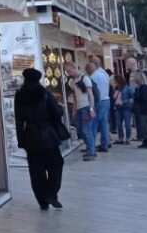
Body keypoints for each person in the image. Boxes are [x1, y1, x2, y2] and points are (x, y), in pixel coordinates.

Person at [14, 68, 65, 210]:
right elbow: (56, 112)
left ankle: (42, 201)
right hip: (48, 134)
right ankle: (51, 192)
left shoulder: (19, 95)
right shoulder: (44, 93)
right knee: (56, 164)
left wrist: (20, 139)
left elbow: (18, 120)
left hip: (30, 135)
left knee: (36, 170)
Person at [65, 61, 96, 160]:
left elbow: (90, 94)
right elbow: (75, 96)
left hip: (86, 107)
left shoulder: (85, 79)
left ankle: (91, 151)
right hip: (79, 108)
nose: (68, 73)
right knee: (80, 130)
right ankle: (89, 148)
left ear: (74, 68)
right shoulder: (74, 80)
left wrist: (91, 108)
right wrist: (74, 109)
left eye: (69, 71)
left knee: (86, 130)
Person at [89, 61, 112, 152]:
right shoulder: (104, 74)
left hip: (99, 102)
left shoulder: (93, 76)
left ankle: (91, 146)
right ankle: (105, 144)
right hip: (106, 100)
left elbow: (93, 92)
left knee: (94, 124)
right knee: (104, 124)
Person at [131, 71, 147, 149]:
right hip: (144, 109)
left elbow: (143, 98)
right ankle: (145, 141)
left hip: (145, 110)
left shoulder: (144, 88)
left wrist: (136, 96)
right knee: (142, 126)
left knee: (144, 126)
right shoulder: (142, 88)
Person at [114, 75, 134, 145]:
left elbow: (132, 97)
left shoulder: (127, 88)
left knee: (127, 123)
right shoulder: (116, 89)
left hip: (126, 107)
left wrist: (128, 102)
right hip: (118, 107)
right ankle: (121, 138)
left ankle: (128, 138)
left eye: (115, 81)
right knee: (119, 124)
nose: (114, 82)